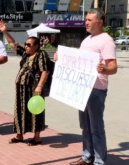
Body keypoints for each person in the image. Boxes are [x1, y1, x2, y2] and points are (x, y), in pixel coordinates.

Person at [54, 9, 117, 165]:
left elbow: (113, 67)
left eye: (89, 20)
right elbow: (78, 61)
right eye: (86, 19)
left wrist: (105, 69)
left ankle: (99, 161)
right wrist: (61, 58)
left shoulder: (106, 40)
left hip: (96, 90)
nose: (86, 22)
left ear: (100, 22)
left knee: (96, 127)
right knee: (85, 126)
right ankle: (87, 156)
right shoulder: (87, 40)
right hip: (82, 89)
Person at [0, 19, 50, 145]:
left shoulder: (41, 54)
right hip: (21, 87)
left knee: (35, 111)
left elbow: (45, 71)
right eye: (26, 44)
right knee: (20, 111)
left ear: (36, 46)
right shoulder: (26, 54)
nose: (26, 46)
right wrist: (5, 32)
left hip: (33, 88)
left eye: (29, 45)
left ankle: (37, 138)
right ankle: (19, 135)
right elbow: (13, 44)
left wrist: (40, 86)